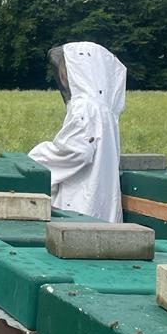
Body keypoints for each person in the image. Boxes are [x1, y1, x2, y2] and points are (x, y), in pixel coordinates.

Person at [28, 42, 127, 222]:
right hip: (99, 206)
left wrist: (34, 160)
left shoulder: (86, 107)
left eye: (66, 68)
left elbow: (76, 152)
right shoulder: (105, 110)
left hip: (79, 205)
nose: (62, 75)